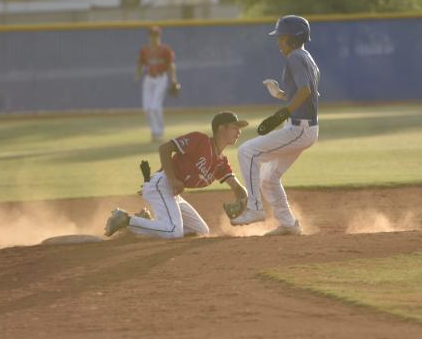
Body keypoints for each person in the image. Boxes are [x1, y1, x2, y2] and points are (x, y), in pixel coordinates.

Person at [230, 15, 320, 236]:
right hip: (303, 128)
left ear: (292, 38)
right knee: (268, 178)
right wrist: (281, 94)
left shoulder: (295, 58)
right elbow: (307, 94)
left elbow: (306, 92)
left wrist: (284, 112)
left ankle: (254, 208)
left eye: (281, 38)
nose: (279, 43)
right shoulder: (306, 56)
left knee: (247, 151)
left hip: (300, 128)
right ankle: (289, 224)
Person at [104, 111, 250, 239]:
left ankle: (147, 223)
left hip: (171, 192)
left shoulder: (221, 163)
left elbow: (237, 187)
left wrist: (243, 201)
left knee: (201, 230)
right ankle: (125, 220)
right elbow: (165, 148)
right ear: (221, 128)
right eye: (235, 127)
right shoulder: (200, 140)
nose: (239, 132)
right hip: (162, 183)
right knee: (174, 232)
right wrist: (173, 180)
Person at [136, 25, 179, 143]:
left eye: (156, 35)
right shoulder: (144, 50)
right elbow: (140, 63)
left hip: (161, 78)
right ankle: (154, 132)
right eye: (152, 35)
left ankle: (159, 132)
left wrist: (174, 79)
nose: (154, 37)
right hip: (149, 80)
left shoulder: (165, 50)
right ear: (149, 36)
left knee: (155, 107)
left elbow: (171, 65)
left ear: (159, 36)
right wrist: (138, 74)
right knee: (147, 108)